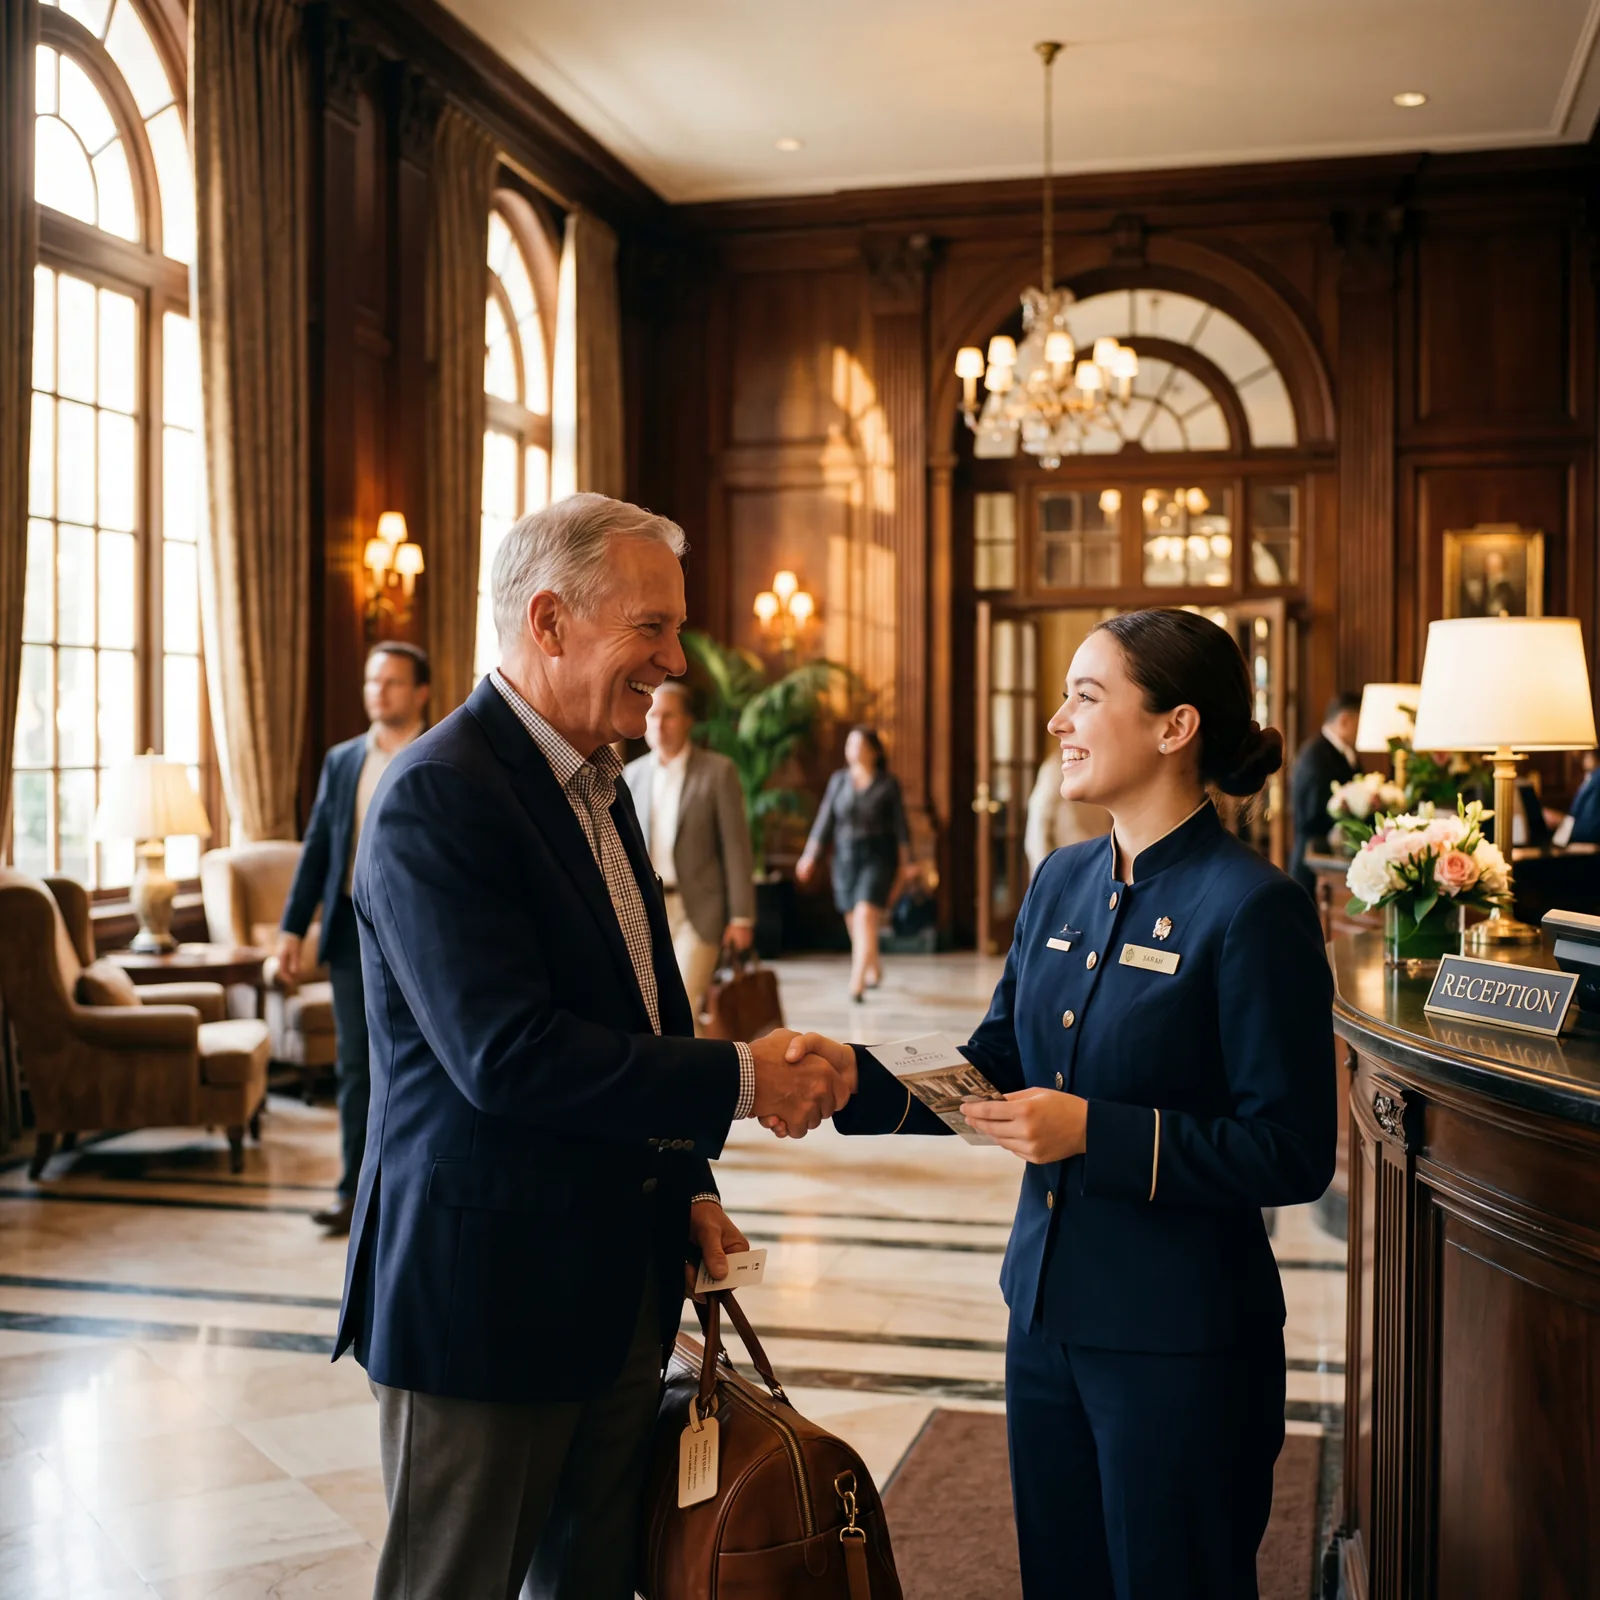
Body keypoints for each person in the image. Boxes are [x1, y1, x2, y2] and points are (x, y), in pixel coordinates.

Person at [335, 493, 849, 1600]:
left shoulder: (600, 783)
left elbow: (646, 1009)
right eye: (651, 629)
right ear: (551, 620)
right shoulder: (437, 796)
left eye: (674, 630)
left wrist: (690, 1185)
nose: (674, 661)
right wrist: (749, 1078)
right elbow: (507, 1055)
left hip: (620, 1285)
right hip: (486, 1300)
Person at [778, 607, 1336, 1600]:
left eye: (1086, 696)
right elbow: (992, 1062)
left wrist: (1097, 1132)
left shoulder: (1252, 907)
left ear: (1175, 726)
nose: (1057, 721)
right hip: (1040, 1316)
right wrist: (846, 1076)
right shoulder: (1061, 878)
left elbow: (1292, 1150)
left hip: (1180, 1344)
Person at [277, 640, 430, 1237]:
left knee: (423, 1067)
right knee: (354, 1068)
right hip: (350, 934)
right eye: (372, 681)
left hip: (423, 936)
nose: (378, 692)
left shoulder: (440, 753)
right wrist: (293, 928)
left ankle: (410, 1192)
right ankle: (355, 1193)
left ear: (420, 691)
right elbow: (318, 847)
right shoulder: (343, 761)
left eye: (392, 682)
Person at [623, 682, 756, 1032]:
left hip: (701, 909)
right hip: (649, 908)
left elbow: (736, 847)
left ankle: (691, 1082)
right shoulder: (630, 774)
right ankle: (708, 1077)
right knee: (664, 1008)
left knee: (682, 997)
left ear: (687, 722)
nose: (658, 724)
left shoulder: (717, 771)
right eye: (652, 715)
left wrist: (741, 917)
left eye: (668, 716)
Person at [796, 725, 914, 1003]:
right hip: (845, 860)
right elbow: (824, 820)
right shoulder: (838, 781)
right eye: (850, 745)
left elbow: (901, 826)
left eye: (860, 745)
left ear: (874, 751)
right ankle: (873, 966)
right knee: (855, 921)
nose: (854, 750)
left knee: (864, 915)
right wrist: (809, 855)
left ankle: (856, 982)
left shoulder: (888, 783)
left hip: (878, 859)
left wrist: (907, 863)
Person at [1289, 691, 1361, 895]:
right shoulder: (1316, 755)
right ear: (1345, 720)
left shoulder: (1344, 753)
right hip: (1313, 857)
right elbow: (1311, 812)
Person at [1023, 750, 1110, 878]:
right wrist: (1044, 879)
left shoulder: (1104, 763)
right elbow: (1038, 828)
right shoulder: (1057, 766)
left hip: (1101, 865)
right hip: (1069, 868)